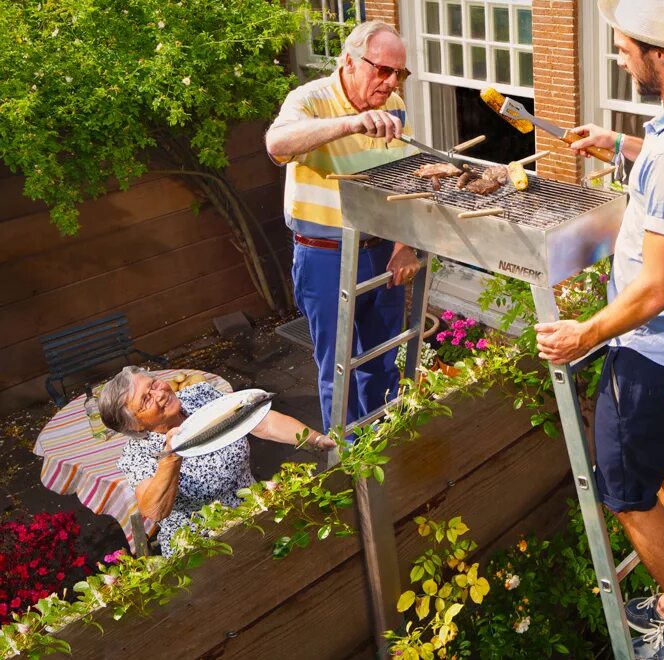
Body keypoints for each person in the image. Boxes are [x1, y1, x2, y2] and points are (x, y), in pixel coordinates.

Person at [535, 1, 664, 657]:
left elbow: (654, 288)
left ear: (660, 53)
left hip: (649, 353)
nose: (618, 55)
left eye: (624, 46)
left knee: (629, 497)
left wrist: (584, 335)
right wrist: (623, 145)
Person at [265, 20, 422, 435]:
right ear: (350, 62)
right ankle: (351, 459)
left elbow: (403, 176)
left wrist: (404, 244)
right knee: (338, 365)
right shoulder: (309, 99)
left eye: (399, 73)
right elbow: (277, 145)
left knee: (381, 358)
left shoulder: (394, 105)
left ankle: (387, 442)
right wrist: (352, 123)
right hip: (324, 254)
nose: (390, 83)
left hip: (380, 247)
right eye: (382, 70)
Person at [98, 366, 335, 557]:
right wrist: (171, 458)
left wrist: (318, 440)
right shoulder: (138, 455)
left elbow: (262, 423)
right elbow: (155, 510)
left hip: (256, 513)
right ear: (135, 425)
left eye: (153, 384)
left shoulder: (199, 397)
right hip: (205, 548)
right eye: (146, 399)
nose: (160, 394)